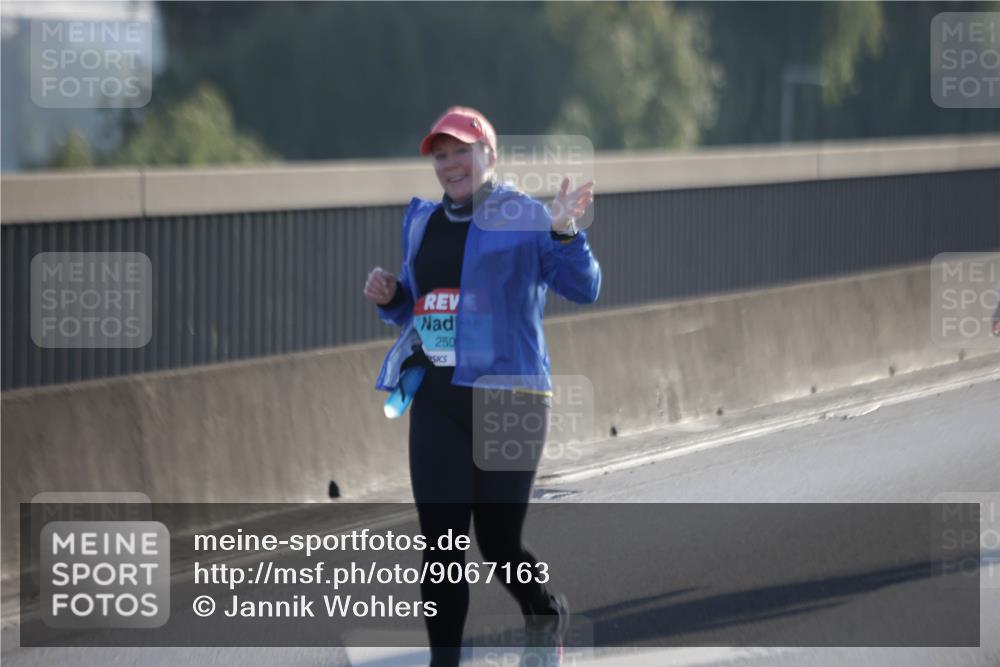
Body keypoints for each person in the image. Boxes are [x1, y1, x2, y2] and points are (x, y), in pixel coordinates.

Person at [363, 106, 600, 667]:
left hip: (511, 399)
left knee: (497, 544)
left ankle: (542, 611)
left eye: (461, 152)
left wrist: (565, 231)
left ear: (489, 155)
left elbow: (583, 287)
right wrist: (394, 296)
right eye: (440, 155)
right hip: (438, 399)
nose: (450, 165)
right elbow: (420, 304)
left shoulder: (525, 216)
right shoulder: (422, 221)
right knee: (441, 546)